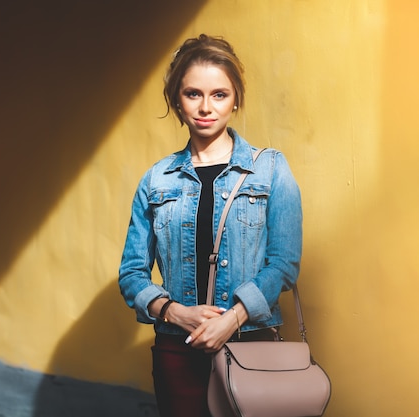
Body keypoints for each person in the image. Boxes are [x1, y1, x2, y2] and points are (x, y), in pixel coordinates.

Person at [118, 34, 303, 417]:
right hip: (177, 349)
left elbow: (284, 263)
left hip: (252, 345)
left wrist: (232, 318)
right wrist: (175, 312)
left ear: (235, 99)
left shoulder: (270, 169)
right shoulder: (157, 181)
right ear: (176, 100)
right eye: (193, 94)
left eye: (219, 94)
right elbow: (132, 274)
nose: (206, 107)